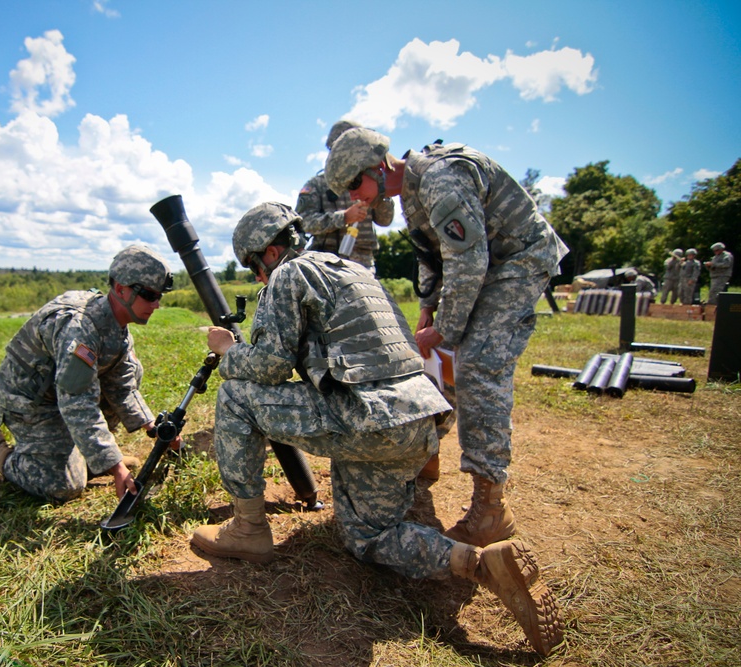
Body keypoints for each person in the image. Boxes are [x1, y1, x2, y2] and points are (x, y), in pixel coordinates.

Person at [189, 202, 564, 656]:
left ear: (269, 252)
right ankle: (481, 564)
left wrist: (229, 351)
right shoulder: (358, 272)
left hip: (367, 420)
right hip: (418, 426)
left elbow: (269, 366)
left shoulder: (290, 275)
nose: (257, 278)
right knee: (368, 536)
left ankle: (247, 529)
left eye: (254, 267)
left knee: (235, 397)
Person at [325, 129, 568, 548]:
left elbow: (468, 259)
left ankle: (491, 509)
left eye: (354, 185)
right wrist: (425, 311)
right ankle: (428, 450)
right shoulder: (411, 195)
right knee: (438, 355)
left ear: (377, 167)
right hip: (485, 264)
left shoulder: (442, 177)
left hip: (518, 259)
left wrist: (446, 328)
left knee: (476, 362)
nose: (356, 198)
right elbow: (431, 257)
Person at [0, 244, 178, 504]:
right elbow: (77, 401)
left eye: (159, 295)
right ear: (120, 289)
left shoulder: (117, 327)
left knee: (132, 370)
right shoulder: (79, 328)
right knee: (64, 486)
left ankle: (90, 458)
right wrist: (115, 466)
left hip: (59, 397)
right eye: (149, 295)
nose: (157, 304)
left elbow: (122, 387)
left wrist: (155, 427)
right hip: (30, 402)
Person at [295, 120, 395, 271]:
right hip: (326, 264)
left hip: (363, 262)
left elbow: (385, 220)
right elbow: (304, 223)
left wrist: (380, 194)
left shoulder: (373, 179)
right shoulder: (317, 185)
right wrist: (344, 217)